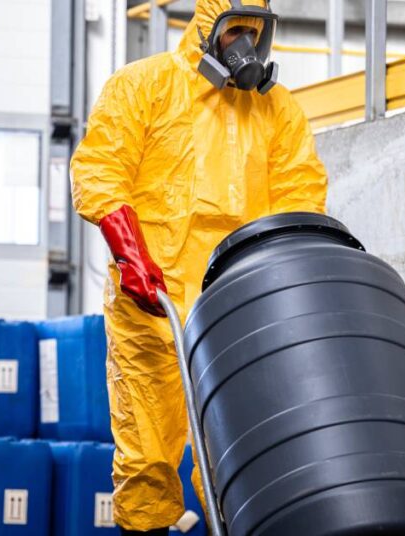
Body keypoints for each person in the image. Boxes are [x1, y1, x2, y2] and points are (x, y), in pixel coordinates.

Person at [70, 0, 327, 533]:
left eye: (254, 32)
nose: (244, 46)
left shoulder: (276, 109)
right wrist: (130, 254)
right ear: (207, 27)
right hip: (153, 304)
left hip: (239, 308)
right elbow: (99, 171)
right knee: (147, 452)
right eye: (234, 30)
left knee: (243, 452)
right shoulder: (143, 86)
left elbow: (300, 194)